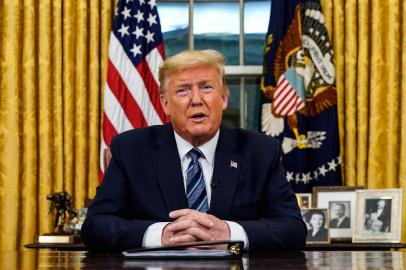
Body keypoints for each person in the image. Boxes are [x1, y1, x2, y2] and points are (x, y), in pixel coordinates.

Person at [81, 49, 307, 251]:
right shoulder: (130, 150)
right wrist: (162, 235)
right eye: (182, 91)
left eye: (206, 87)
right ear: (165, 104)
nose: (196, 100)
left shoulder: (260, 151)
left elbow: (293, 229)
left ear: (224, 98)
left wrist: (229, 234)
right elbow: (96, 226)